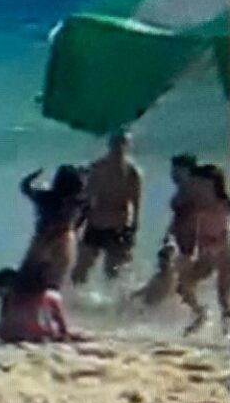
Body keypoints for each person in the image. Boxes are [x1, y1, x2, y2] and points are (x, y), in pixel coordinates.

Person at [72, 130, 143, 285]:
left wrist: (134, 228)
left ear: (127, 146)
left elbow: (136, 203)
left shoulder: (132, 172)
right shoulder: (98, 168)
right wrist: (77, 223)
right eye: (116, 145)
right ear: (110, 145)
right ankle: (76, 304)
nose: (118, 148)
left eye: (122, 144)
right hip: (96, 224)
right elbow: (86, 197)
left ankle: (114, 306)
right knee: (81, 269)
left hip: (119, 226)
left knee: (114, 273)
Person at [179, 163, 230, 335]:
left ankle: (226, 332)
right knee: (184, 284)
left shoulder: (223, 205)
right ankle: (200, 312)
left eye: (201, 186)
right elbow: (192, 232)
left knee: (223, 295)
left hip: (225, 254)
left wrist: (220, 245)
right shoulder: (196, 207)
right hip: (206, 254)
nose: (197, 190)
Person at [18, 165, 88, 289]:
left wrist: (34, 176)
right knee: (53, 285)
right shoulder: (80, 203)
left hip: (43, 239)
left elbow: (25, 187)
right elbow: (81, 221)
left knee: (25, 281)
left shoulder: (45, 197)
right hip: (65, 241)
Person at [0, 265, 74, 343]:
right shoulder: (49, 295)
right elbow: (59, 320)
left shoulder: (10, 299)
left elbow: (5, 322)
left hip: (28, 335)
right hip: (40, 334)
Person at [129, 241, 180, 312]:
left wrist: (135, 294)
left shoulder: (169, 275)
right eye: (160, 260)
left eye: (164, 260)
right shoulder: (163, 275)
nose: (160, 262)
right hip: (151, 306)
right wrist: (135, 294)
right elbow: (148, 288)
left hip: (152, 308)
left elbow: (151, 290)